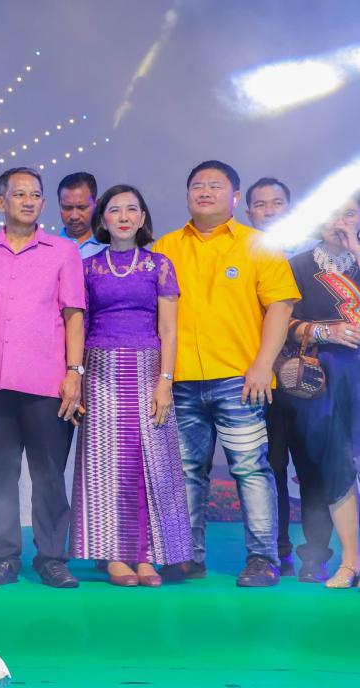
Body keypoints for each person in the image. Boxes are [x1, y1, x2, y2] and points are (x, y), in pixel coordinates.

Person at [153, 160, 298, 588]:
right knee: (185, 471)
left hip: (240, 379)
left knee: (250, 469)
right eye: (197, 185)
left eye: (215, 186)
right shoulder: (166, 247)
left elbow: (281, 307)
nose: (205, 192)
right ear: (187, 195)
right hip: (181, 381)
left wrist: (262, 365)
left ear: (234, 197)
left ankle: (263, 559)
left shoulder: (258, 245)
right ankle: (187, 556)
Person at [0, 167, 85, 589]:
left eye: (35, 195)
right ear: (1, 202)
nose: (28, 201)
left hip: (48, 382)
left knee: (49, 475)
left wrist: (74, 372)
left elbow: (73, 316)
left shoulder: (63, 251)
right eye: (19, 194)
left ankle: (52, 558)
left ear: (43, 203)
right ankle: (0, 558)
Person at [69, 185, 193, 587]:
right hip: (99, 371)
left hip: (147, 371)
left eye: (132, 210)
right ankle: (115, 555)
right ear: (102, 220)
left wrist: (165, 381)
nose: (123, 217)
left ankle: (147, 555)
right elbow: (80, 326)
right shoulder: (88, 268)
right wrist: (78, 378)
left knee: (148, 463)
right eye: (115, 210)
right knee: (107, 464)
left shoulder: (160, 265)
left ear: (142, 218)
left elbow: (169, 330)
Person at [245, 177, 329, 579]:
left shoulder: (314, 257)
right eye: (260, 205)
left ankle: (316, 555)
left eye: (277, 203)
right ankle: (276, 550)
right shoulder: (242, 254)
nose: (269, 211)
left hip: (311, 379)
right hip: (262, 378)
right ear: (248, 213)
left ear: (289, 209)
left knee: (313, 468)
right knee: (270, 466)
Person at [285, 196, 360, 589]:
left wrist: (356, 250)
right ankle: (349, 561)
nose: (339, 222)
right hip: (326, 376)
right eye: (332, 213)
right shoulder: (298, 266)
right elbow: (282, 322)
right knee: (336, 465)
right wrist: (322, 331)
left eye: (349, 214)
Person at [57, 172, 105, 258]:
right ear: (59, 205)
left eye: (82, 207)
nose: (74, 216)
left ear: (96, 204)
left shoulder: (111, 247)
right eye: (67, 208)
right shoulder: (48, 249)